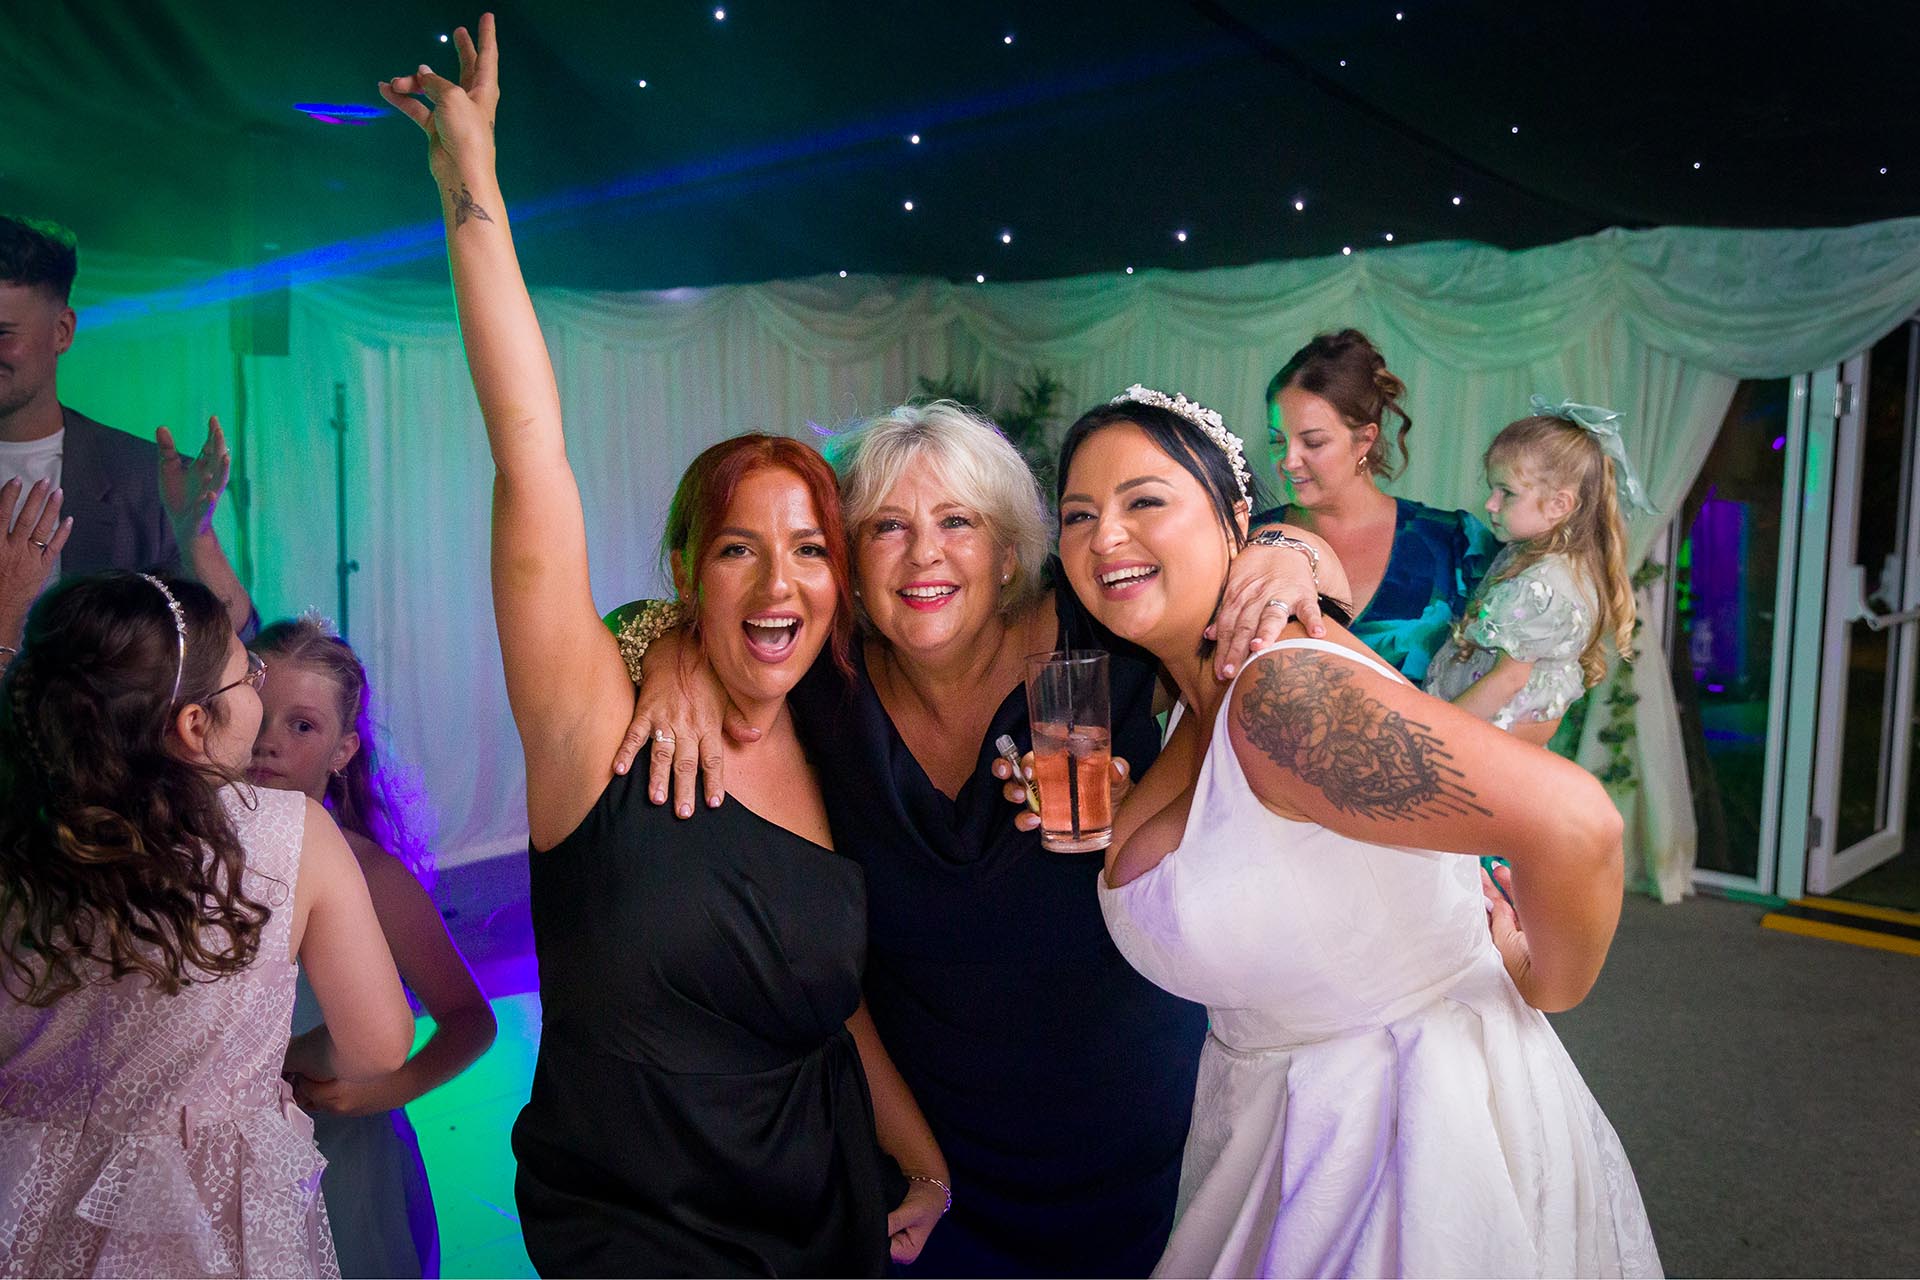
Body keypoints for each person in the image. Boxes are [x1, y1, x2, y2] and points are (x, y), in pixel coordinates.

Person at [378, 18, 948, 1273]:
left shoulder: (844, 730)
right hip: (635, 1225)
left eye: (810, 548)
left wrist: (925, 1155)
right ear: (685, 573)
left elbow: (824, 1005)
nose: (780, 578)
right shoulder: (592, 718)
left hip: (824, 1202)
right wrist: (473, 191)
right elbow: (530, 449)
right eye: (739, 547)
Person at [614, 395, 1334, 1275]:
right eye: (885, 527)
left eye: (957, 521)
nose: (924, 554)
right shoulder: (821, 685)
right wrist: (672, 653)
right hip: (934, 1160)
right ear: (848, 560)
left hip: (1143, 1137)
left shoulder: (1104, 630)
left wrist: (1288, 554)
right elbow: (682, 614)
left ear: (1005, 553)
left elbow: (1260, 555)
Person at [1052, 386, 1660, 1277]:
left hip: (1403, 1145)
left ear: (1234, 518)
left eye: (1144, 500)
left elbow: (1577, 825)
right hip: (1283, 1123)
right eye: (1077, 514)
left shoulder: (1282, 692)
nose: (1103, 537)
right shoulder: (1189, 694)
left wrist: (1543, 980)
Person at [0, 572, 414, 1278]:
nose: (258, 688)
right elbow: (379, 1045)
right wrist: (278, 1064)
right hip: (206, 1207)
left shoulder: (17, 835)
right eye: (247, 676)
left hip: (24, 1189)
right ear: (196, 725)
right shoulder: (293, 836)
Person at [253, 615, 498, 1279]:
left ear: (342, 751)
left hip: (339, 1160)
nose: (266, 740)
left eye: (300, 725)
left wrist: (386, 1091)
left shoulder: (371, 877)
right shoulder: (186, 859)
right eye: (255, 708)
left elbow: (471, 1019)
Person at [0, 214, 255, 655]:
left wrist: (196, 534)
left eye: (2, 334)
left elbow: (231, 646)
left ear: (61, 332)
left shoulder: (140, 477)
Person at [1261, 328, 1498, 681]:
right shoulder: (1247, 539)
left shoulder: (1456, 544)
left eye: (1313, 442)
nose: (1288, 460)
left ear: (1365, 440)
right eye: (1277, 440)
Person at [1426, 399, 1650, 748]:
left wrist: (1431, 736)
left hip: (1483, 745)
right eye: (1491, 489)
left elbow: (1508, 681)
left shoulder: (1540, 585)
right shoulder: (1542, 560)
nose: (1490, 504)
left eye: (1507, 493)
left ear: (1560, 505)